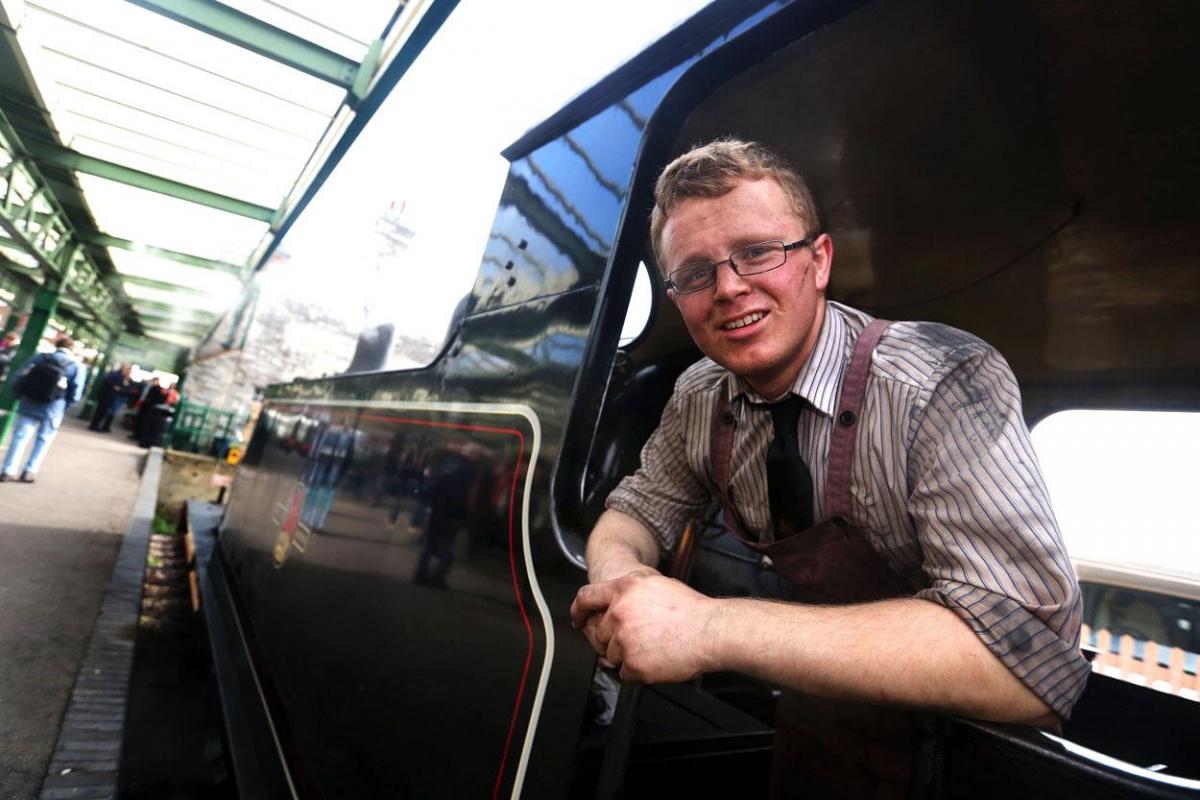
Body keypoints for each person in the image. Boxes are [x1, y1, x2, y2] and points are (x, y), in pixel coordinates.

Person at [569, 139, 1088, 796]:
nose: (728, 288)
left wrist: (706, 626)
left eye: (757, 252)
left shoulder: (938, 382)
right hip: (816, 726)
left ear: (818, 261)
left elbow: (1029, 670)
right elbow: (635, 512)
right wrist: (624, 591)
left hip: (959, 756)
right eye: (695, 273)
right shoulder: (699, 398)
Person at [1, 335, 86, 483]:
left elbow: (19, 377)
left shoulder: (39, 357)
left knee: (19, 437)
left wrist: (19, 395)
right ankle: (29, 471)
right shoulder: (76, 365)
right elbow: (75, 393)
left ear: (57, 345)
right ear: (71, 349)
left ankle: (8, 470)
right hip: (55, 407)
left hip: (29, 403)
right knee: (44, 439)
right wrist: (64, 406)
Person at [88, 363, 132, 432]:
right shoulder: (116, 374)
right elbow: (108, 380)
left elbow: (124, 388)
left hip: (109, 396)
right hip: (107, 396)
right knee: (100, 411)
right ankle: (94, 426)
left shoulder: (121, 376)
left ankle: (95, 425)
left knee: (102, 412)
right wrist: (114, 387)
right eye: (126, 369)